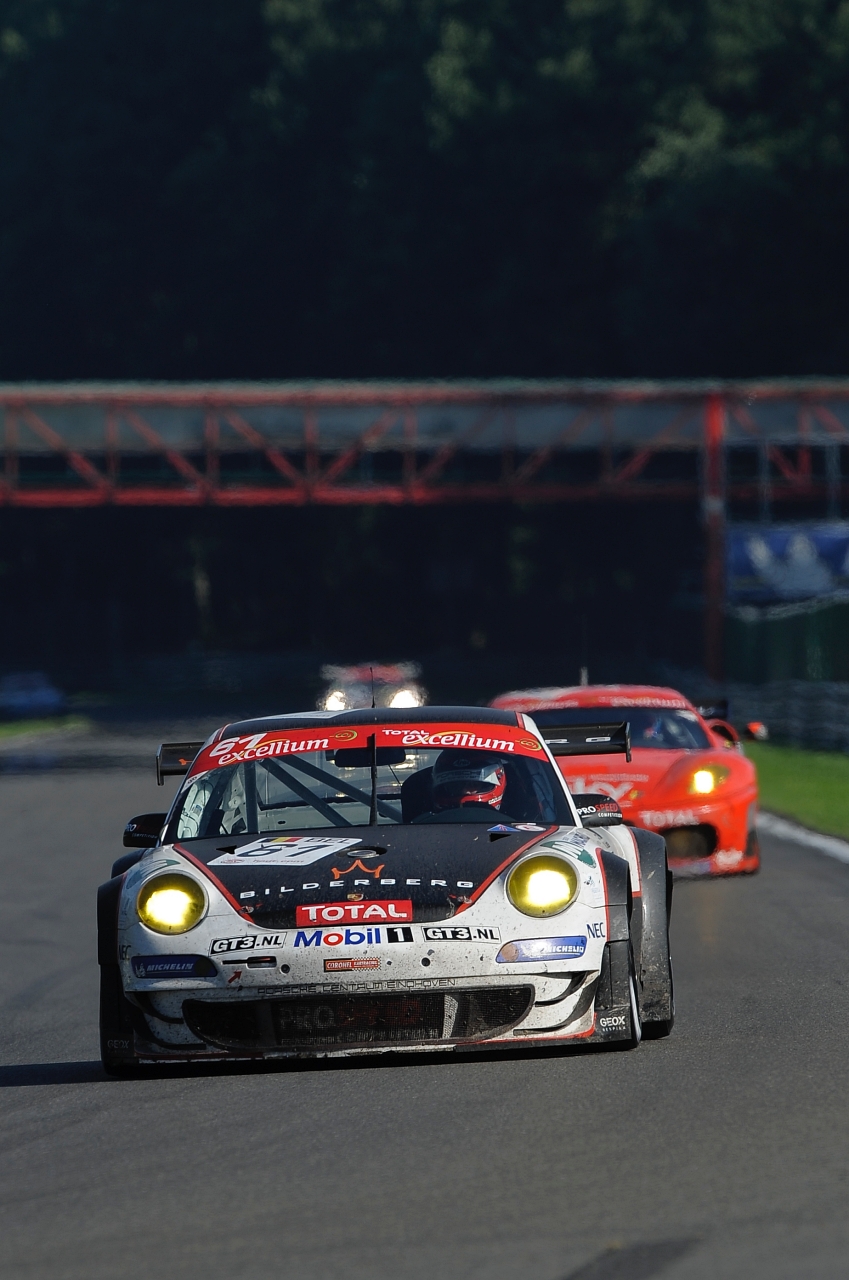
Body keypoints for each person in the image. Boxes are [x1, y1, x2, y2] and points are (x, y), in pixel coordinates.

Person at [431, 751, 507, 812]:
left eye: (473, 784)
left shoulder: (511, 821)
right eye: (456, 785)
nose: (465, 791)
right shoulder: (428, 822)